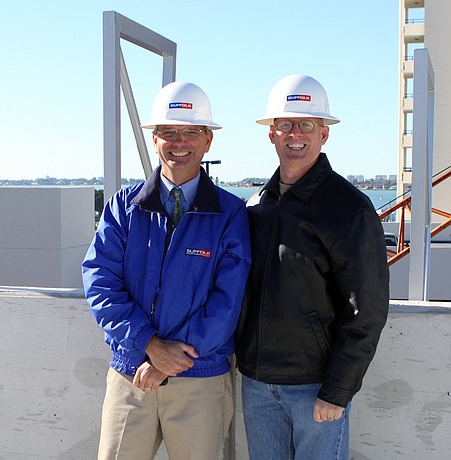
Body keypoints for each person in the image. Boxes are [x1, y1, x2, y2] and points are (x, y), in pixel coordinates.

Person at [82, 81, 251, 459]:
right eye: (168, 132)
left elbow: (228, 301)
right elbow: (99, 283)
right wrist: (149, 346)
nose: (179, 142)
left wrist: (171, 360)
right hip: (132, 375)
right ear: (154, 139)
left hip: (200, 381)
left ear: (208, 140)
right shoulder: (122, 208)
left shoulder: (230, 214)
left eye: (191, 132)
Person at [236, 74, 389, 460]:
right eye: (285, 124)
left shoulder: (348, 209)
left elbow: (366, 309)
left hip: (315, 388)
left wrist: (338, 391)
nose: (295, 134)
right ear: (271, 133)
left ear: (324, 133)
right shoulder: (258, 205)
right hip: (257, 384)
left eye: (306, 124)